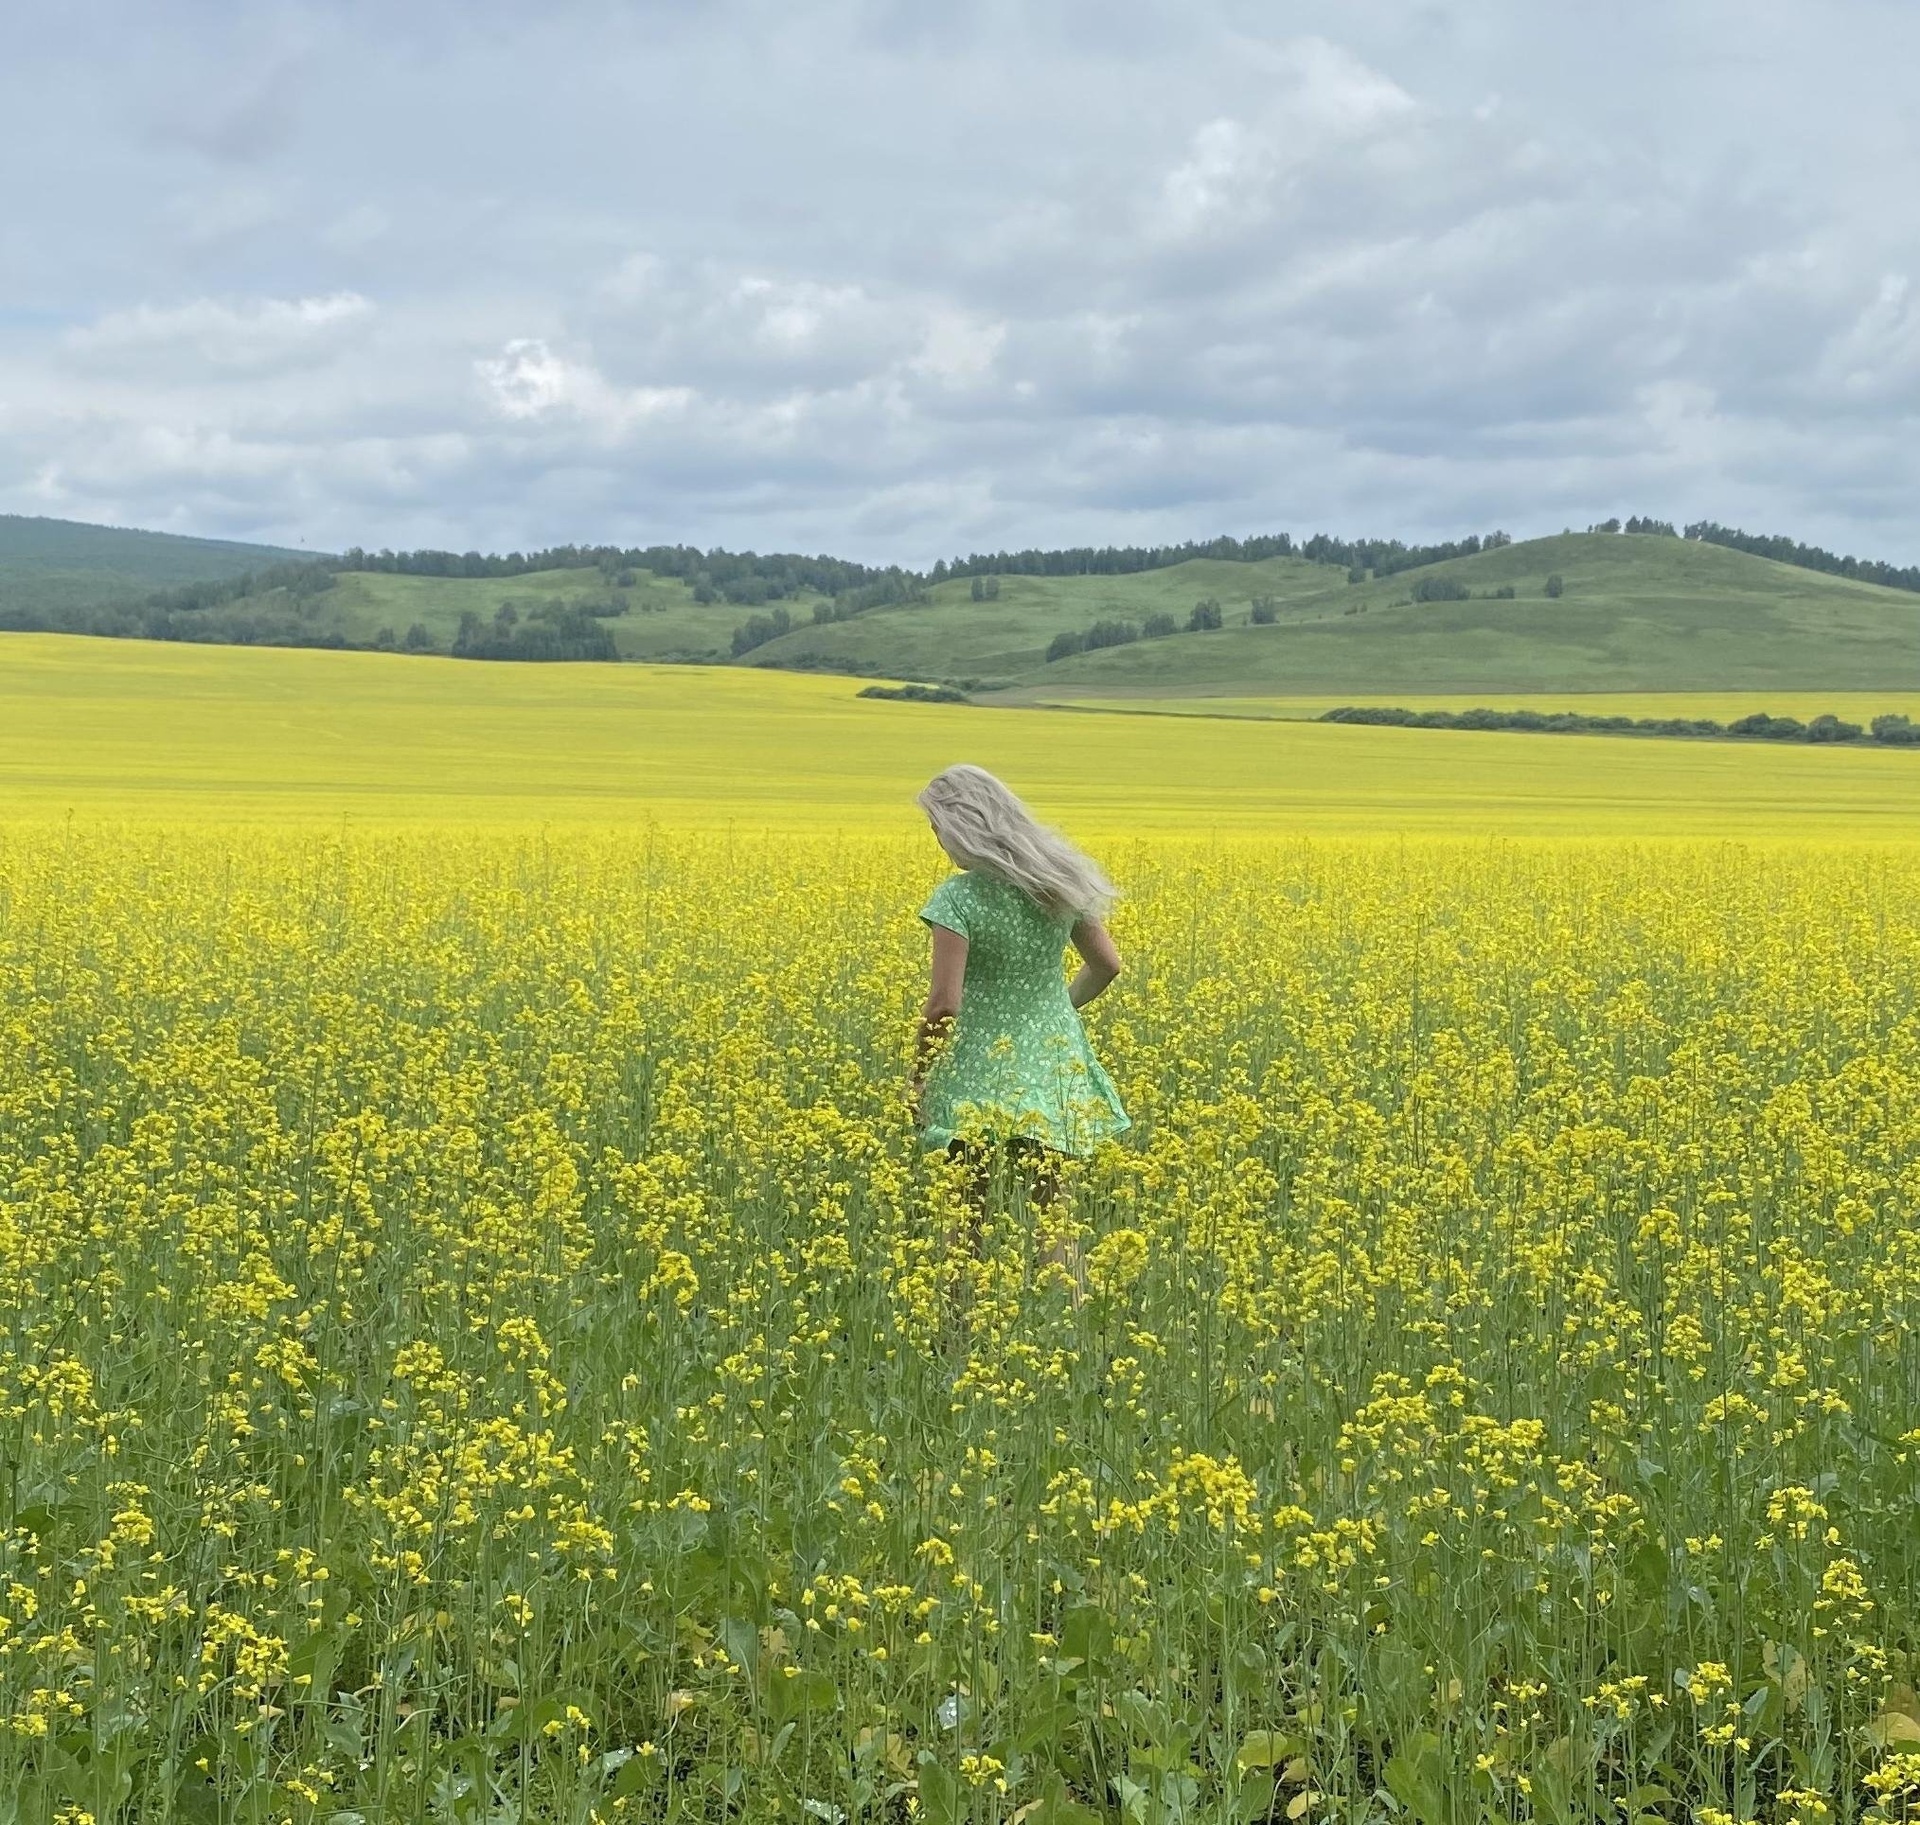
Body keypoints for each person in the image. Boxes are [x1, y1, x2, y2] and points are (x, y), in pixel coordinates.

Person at [912, 765, 1130, 1210]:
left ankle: (960, 1285)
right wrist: (1053, 1010)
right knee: (1055, 1214)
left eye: (938, 828)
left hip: (975, 1067)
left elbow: (943, 1006)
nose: (939, 840)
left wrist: (917, 1078)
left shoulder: (958, 897)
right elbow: (1106, 966)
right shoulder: (1059, 882)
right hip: (1052, 1061)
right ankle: (1063, 1285)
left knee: (964, 1216)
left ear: (961, 825)